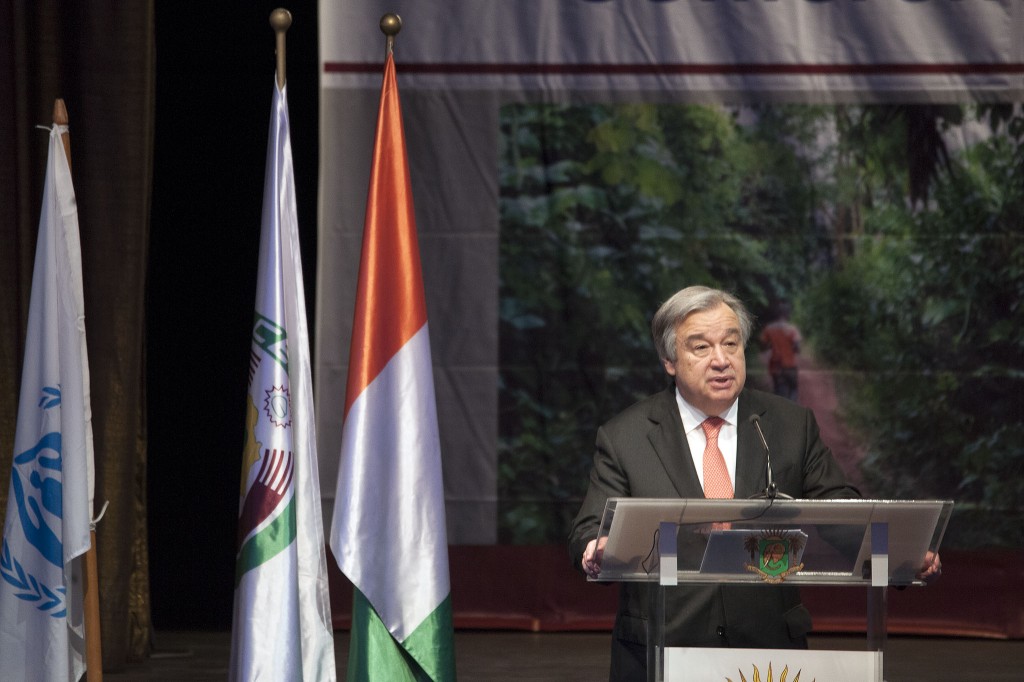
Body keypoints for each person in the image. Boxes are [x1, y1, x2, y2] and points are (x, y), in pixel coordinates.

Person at [568, 285, 940, 682]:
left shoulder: (788, 425)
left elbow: (839, 509)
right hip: (661, 648)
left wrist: (898, 553)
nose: (721, 360)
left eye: (731, 343)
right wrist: (598, 548)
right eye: (701, 348)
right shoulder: (625, 435)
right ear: (669, 360)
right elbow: (589, 530)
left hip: (768, 650)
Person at [759, 302, 801, 401]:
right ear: (787, 314)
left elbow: (763, 344)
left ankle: (780, 412)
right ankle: (793, 410)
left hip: (775, 365)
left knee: (778, 390)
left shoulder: (769, 329)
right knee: (793, 389)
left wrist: (771, 346)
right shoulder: (792, 329)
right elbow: (796, 347)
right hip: (790, 365)